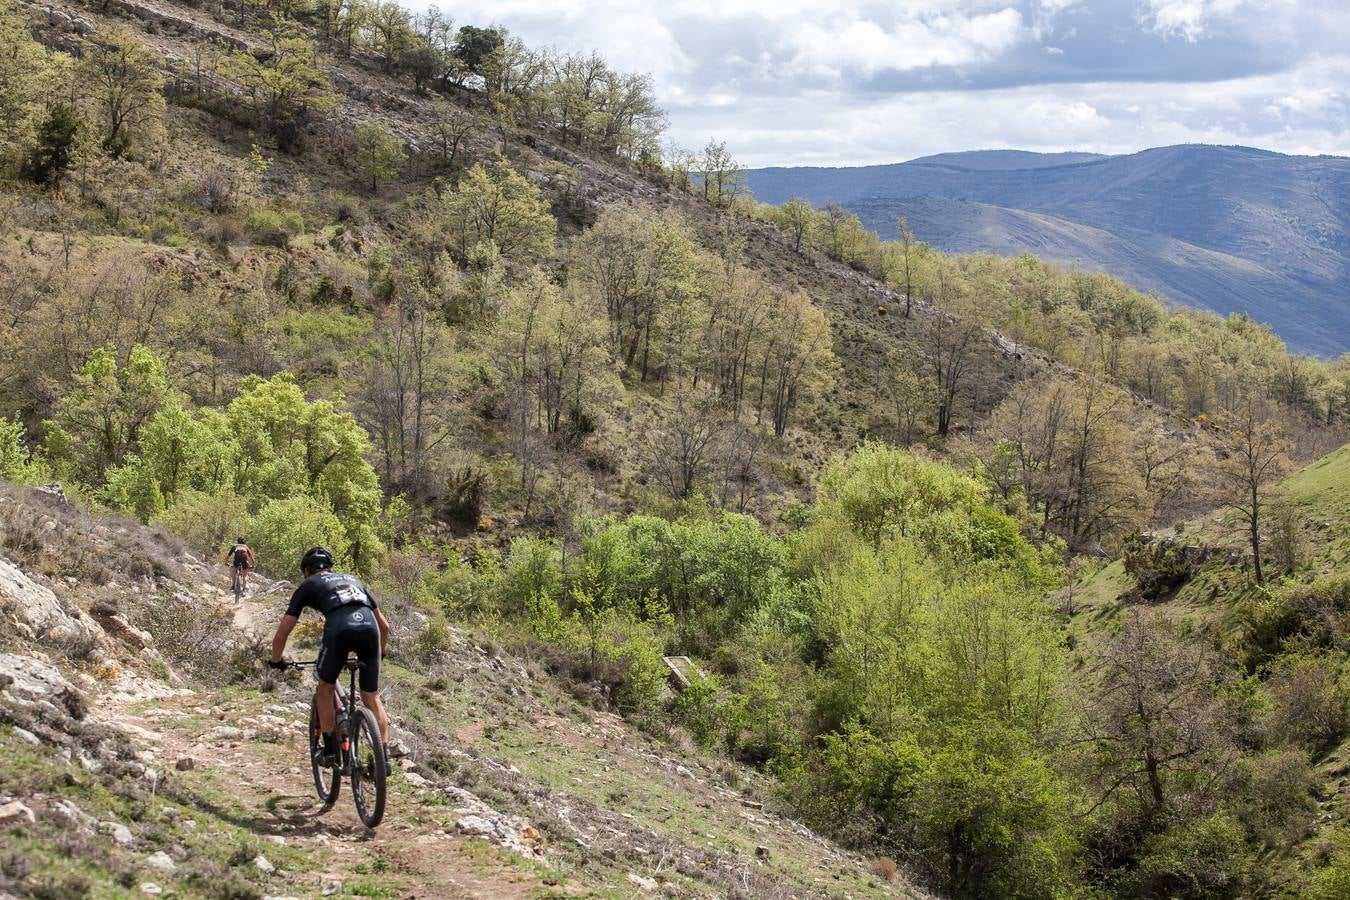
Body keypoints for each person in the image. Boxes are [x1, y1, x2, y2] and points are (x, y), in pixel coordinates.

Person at [268, 547, 392, 771]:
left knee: (324, 687)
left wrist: (276, 661)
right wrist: (381, 652)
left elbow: (283, 632)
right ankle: (383, 759)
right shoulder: (354, 580)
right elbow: (385, 626)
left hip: (339, 629)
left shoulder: (308, 584)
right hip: (370, 630)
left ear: (307, 571)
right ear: (330, 567)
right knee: (371, 697)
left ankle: (330, 750)